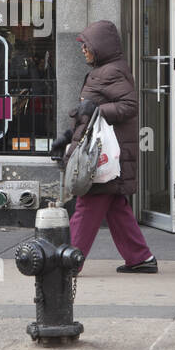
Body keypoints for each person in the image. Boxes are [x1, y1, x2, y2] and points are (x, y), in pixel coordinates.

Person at [52, 20, 157, 273]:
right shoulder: (104, 70)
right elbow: (90, 115)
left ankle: (69, 261)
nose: (83, 50)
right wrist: (68, 136)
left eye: (86, 45)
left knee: (87, 206)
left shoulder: (112, 71)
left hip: (105, 157)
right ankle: (140, 258)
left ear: (100, 47)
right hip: (109, 156)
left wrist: (96, 108)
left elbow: (130, 106)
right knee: (115, 208)